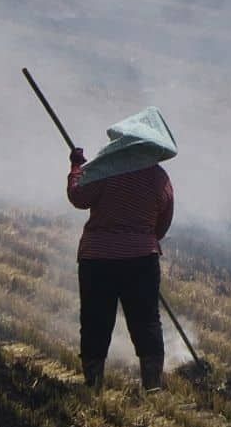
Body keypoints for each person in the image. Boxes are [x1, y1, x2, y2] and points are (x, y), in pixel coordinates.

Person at [67, 144, 174, 392]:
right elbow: (163, 220)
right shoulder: (159, 177)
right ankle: (152, 387)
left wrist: (76, 167)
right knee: (146, 322)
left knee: (95, 321)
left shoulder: (106, 170)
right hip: (141, 261)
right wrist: (143, 241)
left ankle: (93, 386)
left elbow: (78, 197)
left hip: (98, 260)